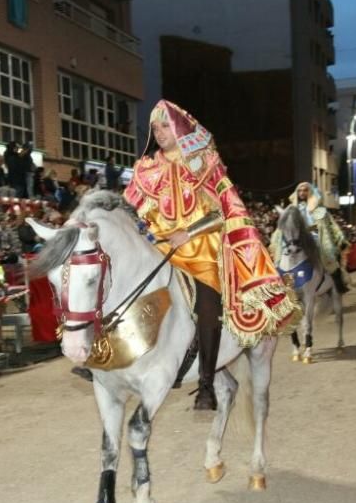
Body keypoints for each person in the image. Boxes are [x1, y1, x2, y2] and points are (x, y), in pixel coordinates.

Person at [124, 100, 297, 410]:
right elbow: (132, 209)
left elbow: (223, 210)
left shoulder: (203, 162)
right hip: (159, 247)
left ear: (178, 128)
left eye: (165, 126)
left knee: (207, 300)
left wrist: (188, 232)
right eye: (154, 128)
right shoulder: (146, 169)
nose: (160, 133)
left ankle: (206, 383)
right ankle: (108, 359)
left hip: (201, 248)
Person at [288, 181, 349, 294]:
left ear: (310, 192)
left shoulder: (319, 208)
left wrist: (339, 237)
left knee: (328, 258)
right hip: (298, 240)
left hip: (315, 238)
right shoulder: (293, 209)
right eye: (299, 191)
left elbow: (328, 224)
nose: (302, 193)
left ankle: (337, 284)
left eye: (305, 190)